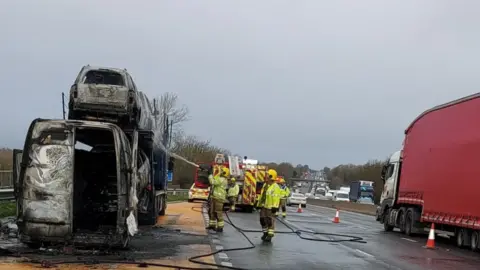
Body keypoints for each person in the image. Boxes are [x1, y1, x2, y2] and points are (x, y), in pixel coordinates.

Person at [257, 169, 282, 242]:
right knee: (262, 220)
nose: (266, 176)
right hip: (264, 206)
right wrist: (258, 204)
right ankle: (265, 233)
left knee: (270, 221)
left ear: (271, 177)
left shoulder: (275, 187)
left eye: (267, 175)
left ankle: (270, 235)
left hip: (270, 208)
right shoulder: (265, 185)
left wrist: (275, 207)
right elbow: (262, 195)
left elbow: (276, 197)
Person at [207, 167, 229, 232]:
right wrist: (211, 174)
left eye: (222, 171)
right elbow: (215, 179)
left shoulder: (222, 179)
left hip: (219, 198)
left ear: (224, 172)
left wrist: (210, 175)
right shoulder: (221, 179)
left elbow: (212, 182)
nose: (220, 171)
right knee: (212, 212)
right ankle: (212, 225)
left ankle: (220, 227)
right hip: (215, 197)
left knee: (218, 213)